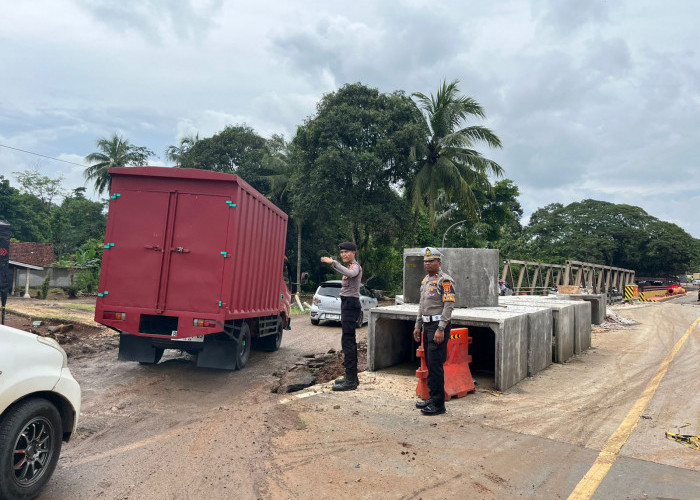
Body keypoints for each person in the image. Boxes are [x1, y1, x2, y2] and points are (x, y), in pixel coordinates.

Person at [412, 247, 456, 416]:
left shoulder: (445, 281)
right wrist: (418, 325)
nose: (427, 264)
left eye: (431, 261)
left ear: (439, 263)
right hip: (427, 325)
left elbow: (449, 306)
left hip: (438, 327)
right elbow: (422, 305)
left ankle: (439, 405)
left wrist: (441, 328)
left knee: (436, 366)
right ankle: (432, 397)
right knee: (430, 364)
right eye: (425, 261)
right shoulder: (425, 281)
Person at [321, 241, 362, 391]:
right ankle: (352, 377)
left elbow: (350, 274)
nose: (344, 254)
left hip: (351, 305)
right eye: (342, 252)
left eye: (347, 252)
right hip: (347, 304)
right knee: (347, 340)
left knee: (348, 342)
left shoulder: (355, 267)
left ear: (354, 253)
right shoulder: (350, 266)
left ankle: (350, 380)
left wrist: (334, 263)